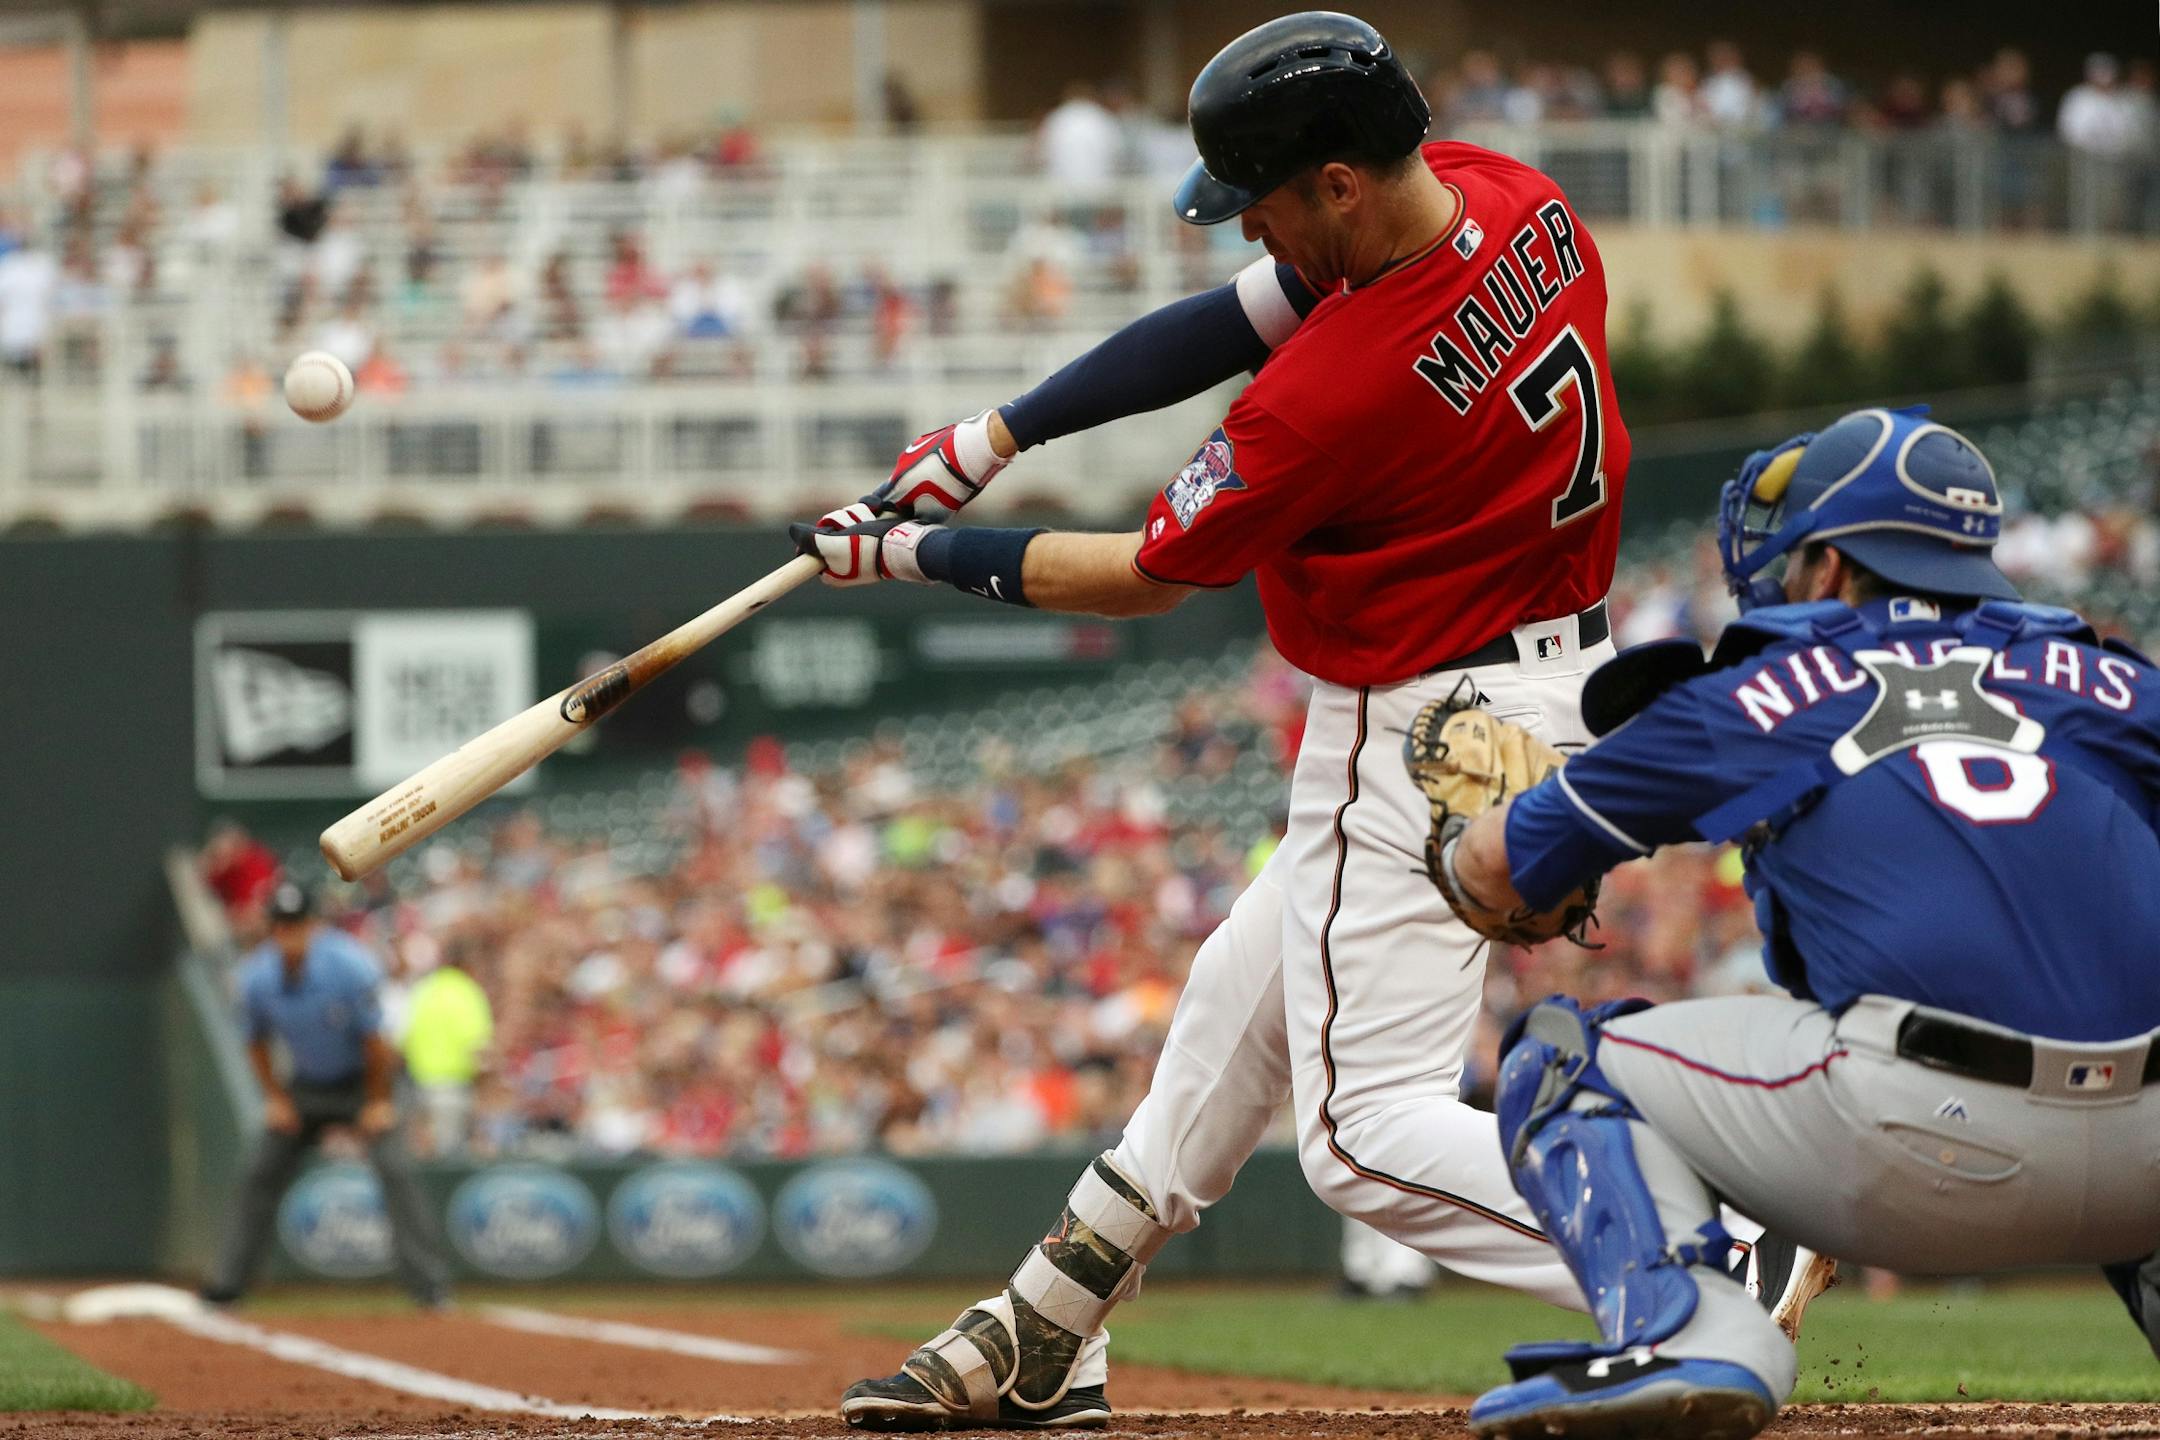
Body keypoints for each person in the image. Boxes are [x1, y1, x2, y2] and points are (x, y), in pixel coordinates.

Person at [795, 13, 1821, 1432]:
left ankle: (1709, 1266)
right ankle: (1046, 1326)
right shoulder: (1513, 195)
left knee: (1358, 1140)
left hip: (1420, 720)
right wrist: (1000, 435)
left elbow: (1148, 574)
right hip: (1537, 685)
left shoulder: (1339, 390)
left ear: (1341, 180)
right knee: (1236, 1001)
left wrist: (905, 555)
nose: (1256, 231)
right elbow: (1231, 317)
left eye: (1268, 199)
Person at [1415, 406, 2160, 1438]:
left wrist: (1464, 847)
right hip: (2147, 1152)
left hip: (1915, 1142)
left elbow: (1497, 869)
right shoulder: (2116, 681)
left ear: (1835, 566)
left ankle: (1693, 1333)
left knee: (1559, 1050)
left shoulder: (1760, 685)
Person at [201, 881, 451, 1309]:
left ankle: (429, 1286)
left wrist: (378, 1102)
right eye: (280, 925)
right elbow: (255, 1042)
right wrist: (275, 1098)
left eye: (296, 925)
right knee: (260, 1170)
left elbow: (378, 1044)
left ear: (314, 925)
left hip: (364, 1082)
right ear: (270, 928)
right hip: (307, 1087)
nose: (288, 934)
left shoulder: (350, 965)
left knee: (395, 1169)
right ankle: (229, 1283)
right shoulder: (257, 976)